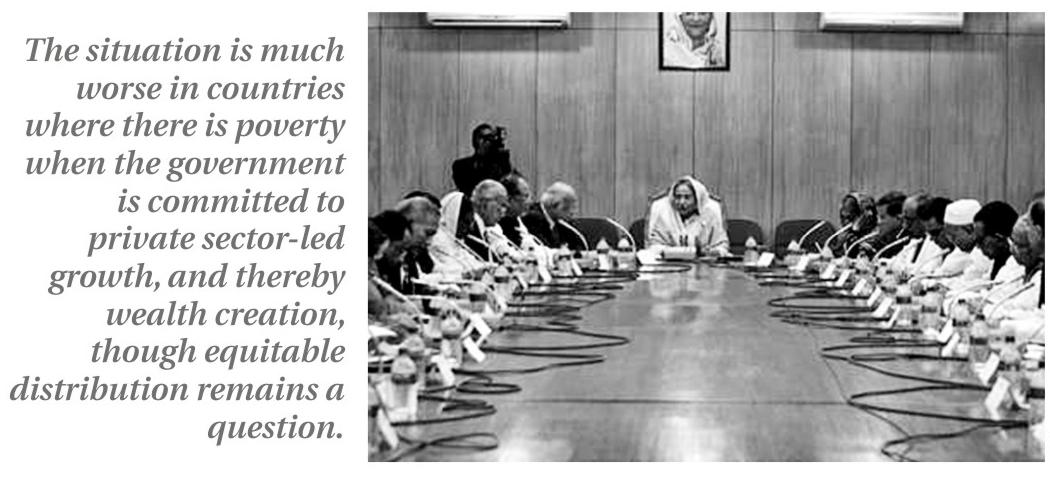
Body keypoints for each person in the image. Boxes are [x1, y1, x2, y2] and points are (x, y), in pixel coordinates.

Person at [646, 176, 729, 256]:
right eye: (678, 197)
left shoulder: (710, 216)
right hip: (671, 264)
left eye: (687, 197)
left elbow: (722, 247)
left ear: (697, 199)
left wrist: (709, 252)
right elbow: (654, 246)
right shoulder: (665, 216)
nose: (681, 202)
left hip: (703, 263)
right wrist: (672, 252)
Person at [521, 182, 588, 251]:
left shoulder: (560, 222)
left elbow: (577, 244)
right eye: (568, 208)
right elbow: (544, 248)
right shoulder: (532, 218)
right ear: (555, 205)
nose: (572, 212)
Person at [451, 123, 514, 195]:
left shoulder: (500, 164)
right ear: (475, 141)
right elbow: (467, 188)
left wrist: (502, 157)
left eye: (490, 139)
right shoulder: (460, 166)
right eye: (484, 138)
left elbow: (506, 185)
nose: (486, 142)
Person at [932, 199, 986, 280]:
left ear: (970, 229)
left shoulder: (988, 252)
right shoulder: (959, 252)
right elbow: (941, 274)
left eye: (954, 236)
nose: (951, 241)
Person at [830, 192, 877, 257]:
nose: (845, 222)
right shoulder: (845, 235)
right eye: (842, 217)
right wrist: (839, 245)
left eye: (849, 218)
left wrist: (856, 229)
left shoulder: (876, 233)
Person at [497, 172, 535, 247]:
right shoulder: (496, 225)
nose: (530, 202)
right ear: (509, 199)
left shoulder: (519, 220)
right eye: (526, 196)